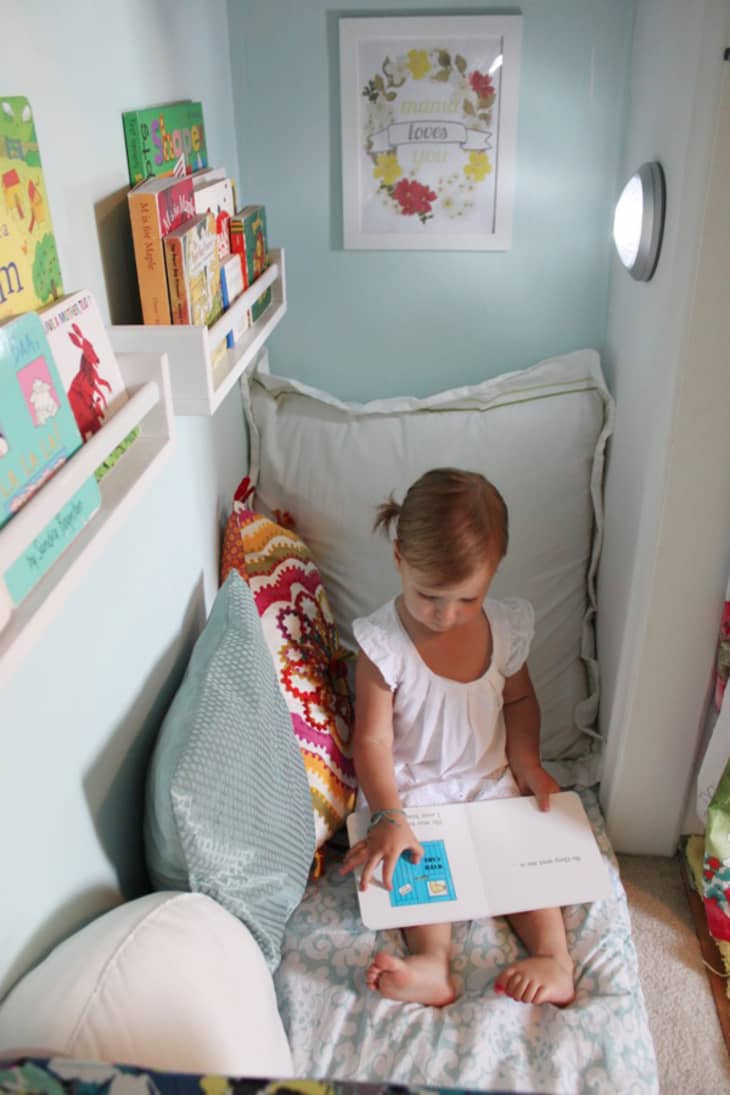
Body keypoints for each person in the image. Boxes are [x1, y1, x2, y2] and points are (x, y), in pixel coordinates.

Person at [341, 467, 574, 1008]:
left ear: (493, 575)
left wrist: (528, 764)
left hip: (488, 780)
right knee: (417, 867)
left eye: (467, 599)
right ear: (399, 559)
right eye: (430, 596)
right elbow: (372, 741)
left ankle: (554, 956)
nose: (447, 614)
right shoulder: (383, 644)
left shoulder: (505, 627)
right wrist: (387, 814)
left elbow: (518, 700)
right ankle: (432, 961)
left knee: (524, 860)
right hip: (413, 789)